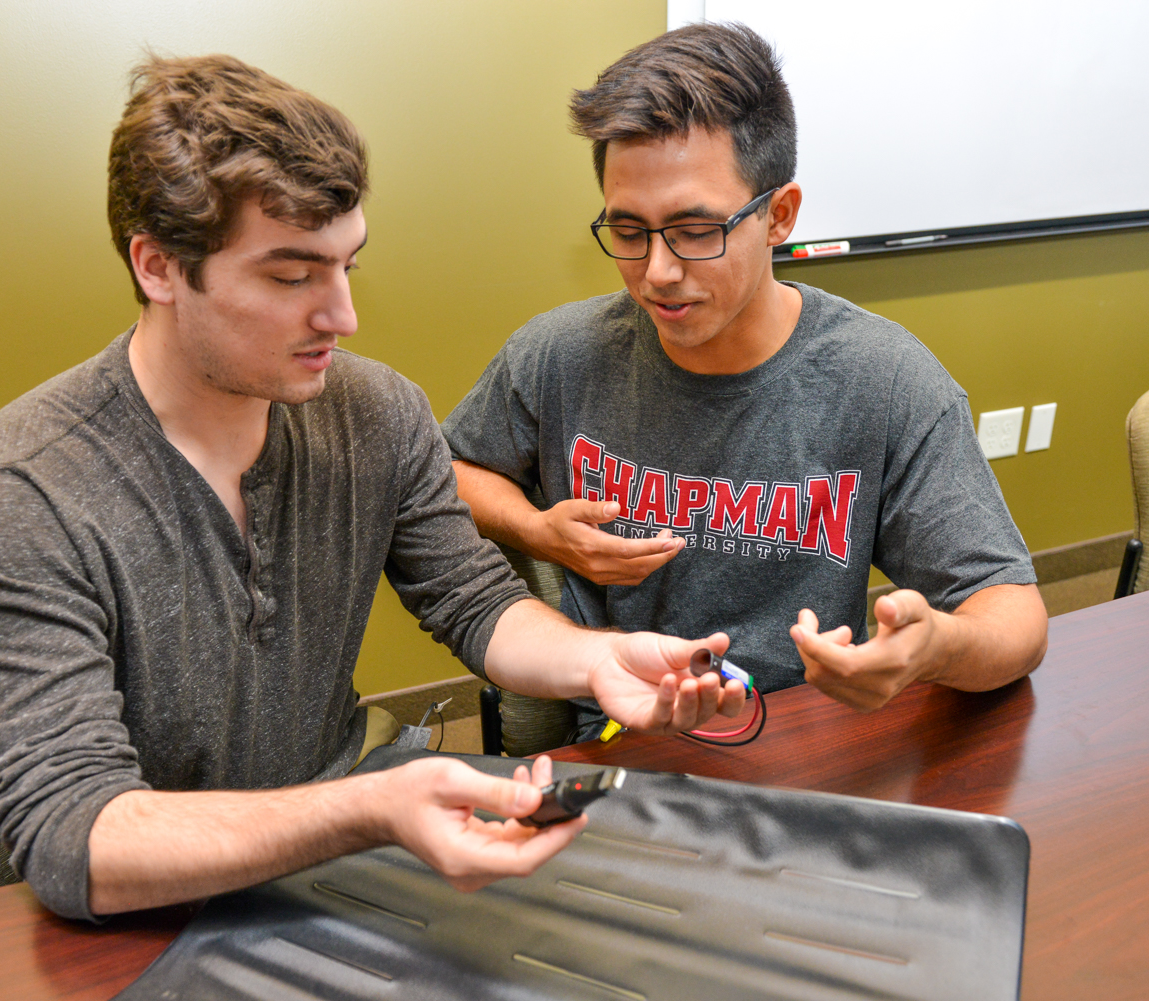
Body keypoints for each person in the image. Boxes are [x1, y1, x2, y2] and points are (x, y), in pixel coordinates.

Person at [0, 54, 744, 921]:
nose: (340, 315)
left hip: (336, 848)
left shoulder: (375, 410)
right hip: (145, 899)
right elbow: (69, 836)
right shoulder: (23, 489)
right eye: (291, 277)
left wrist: (597, 661)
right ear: (159, 267)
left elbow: (470, 599)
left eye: (346, 266)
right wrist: (365, 810)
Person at [442, 24, 1048, 740]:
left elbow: (1016, 619)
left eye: (696, 229)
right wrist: (539, 532)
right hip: (628, 734)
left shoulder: (884, 381)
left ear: (779, 216)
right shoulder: (559, 354)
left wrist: (935, 647)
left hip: (807, 737)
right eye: (629, 230)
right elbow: (448, 470)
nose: (657, 272)